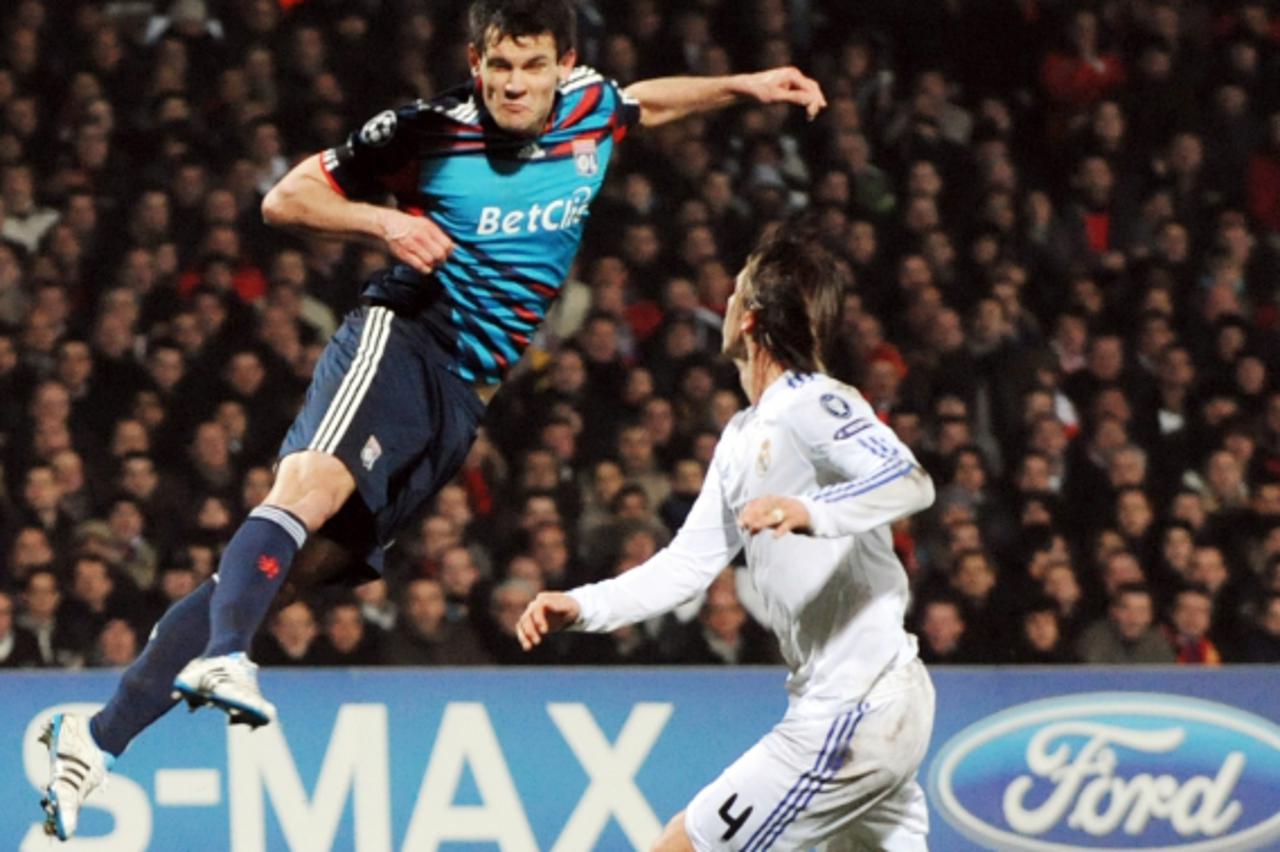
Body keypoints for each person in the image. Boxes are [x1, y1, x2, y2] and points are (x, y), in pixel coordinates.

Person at [38, 0, 827, 840]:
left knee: (286, 575)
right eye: (498, 66)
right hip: (406, 335)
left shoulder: (593, 106)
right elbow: (284, 199)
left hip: (463, 400)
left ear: (563, 64)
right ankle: (226, 658)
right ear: (475, 60)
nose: (512, 85)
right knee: (308, 486)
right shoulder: (426, 131)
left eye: (530, 67)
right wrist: (382, 219)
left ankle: (94, 737)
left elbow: (646, 103)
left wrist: (742, 87)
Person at [518, 226, 936, 850]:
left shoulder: (813, 401)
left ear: (751, 320)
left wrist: (808, 509)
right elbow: (686, 564)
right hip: (863, 709)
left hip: (856, 708)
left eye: (736, 290)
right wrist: (582, 606)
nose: (726, 301)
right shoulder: (744, 434)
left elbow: (908, 480)